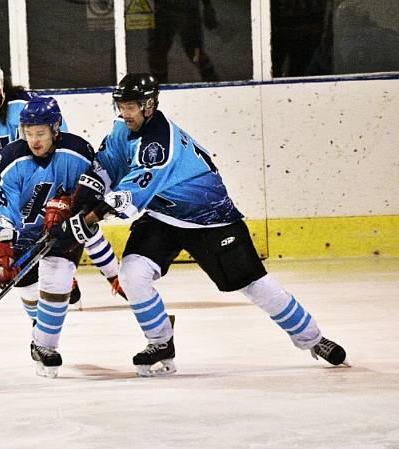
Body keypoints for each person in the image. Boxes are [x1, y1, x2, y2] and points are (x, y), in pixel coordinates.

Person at [52, 73, 347, 377]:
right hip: (164, 216)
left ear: (149, 105)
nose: (125, 113)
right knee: (132, 274)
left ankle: (314, 339)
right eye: (122, 106)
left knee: (254, 285)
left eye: (131, 107)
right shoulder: (120, 130)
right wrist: (79, 203)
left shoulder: (159, 145)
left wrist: (86, 220)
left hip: (211, 219)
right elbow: (105, 167)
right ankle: (160, 341)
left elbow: (128, 197)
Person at [0, 60, 123, 308]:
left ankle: (104, 275)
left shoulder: (26, 105)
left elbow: (58, 141)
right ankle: (39, 315)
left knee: (74, 225)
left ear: (2, 86)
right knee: (13, 246)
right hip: (12, 188)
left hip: (47, 182)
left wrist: (65, 190)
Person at [0, 96, 118, 378]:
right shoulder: (7, 160)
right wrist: (2, 240)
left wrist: (76, 208)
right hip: (25, 231)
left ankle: (45, 345)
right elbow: (0, 207)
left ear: (55, 130)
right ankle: (41, 327)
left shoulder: (79, 152)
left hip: (64, 229)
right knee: (24, 282)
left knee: (57, 276)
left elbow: (97, 192)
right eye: (29, 133)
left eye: (41, 133)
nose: (34, 140)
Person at [147, 0, 219, 83]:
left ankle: (214, 85)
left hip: (187, 9)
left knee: (195, 52)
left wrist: (207, 6)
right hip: (162, 8)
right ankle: (159, 88)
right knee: (157, 52)